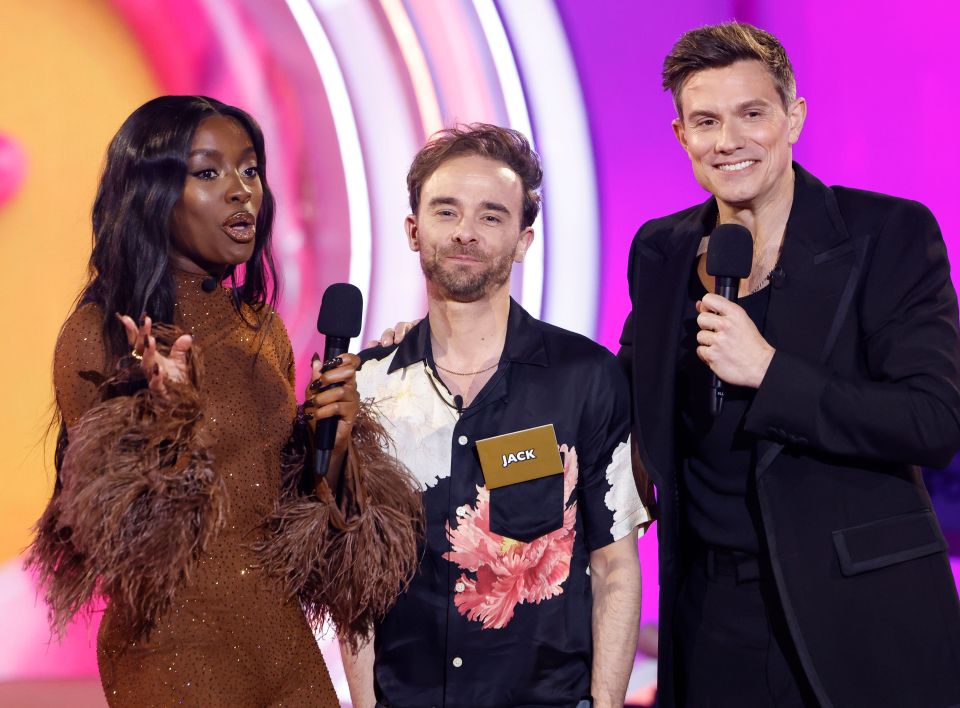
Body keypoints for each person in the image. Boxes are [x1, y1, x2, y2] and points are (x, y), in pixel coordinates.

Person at [26, 95, 421, 707]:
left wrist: (337, 444)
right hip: (173, 655)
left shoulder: (261, 329)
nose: (242, 191)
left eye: (250, 169)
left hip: (285, 650)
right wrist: (166, 422)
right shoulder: (101, 336)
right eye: (208, 172)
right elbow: (121, 542)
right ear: (153, 194)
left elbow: (299, 526)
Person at [619, 22, 960, 707]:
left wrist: (771, 373)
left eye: (752, 114)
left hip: (858, 618)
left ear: (793, 117)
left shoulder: (886, 235)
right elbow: (620, 399)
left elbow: (932, 420)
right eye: (706, 121)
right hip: (710, 621)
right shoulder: (660, 250)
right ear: (682, 135)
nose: (729, 140)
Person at [341, 124, 649, 708]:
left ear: (523, 239)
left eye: (490, 215)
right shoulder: (365, 387)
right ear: (413, 230)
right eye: (446, 211)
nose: (465, 231)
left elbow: (615, 568)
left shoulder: (586, 378)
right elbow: (352, 578)